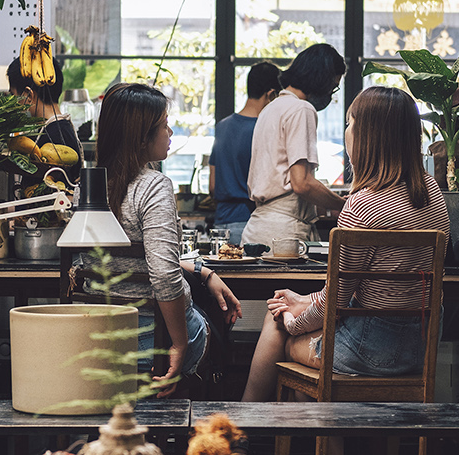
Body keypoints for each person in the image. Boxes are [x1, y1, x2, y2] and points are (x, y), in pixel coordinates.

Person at [241, 86, 450, 455]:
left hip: (370, 350)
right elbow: (350, 296)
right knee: (301, 366)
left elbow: (335, 305)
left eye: (350, 123)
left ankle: (241, 432)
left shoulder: (362, 206)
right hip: (418, 348)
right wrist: (303, 300)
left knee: (278, 327)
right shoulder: (432, 194)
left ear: (370, 136)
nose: (346, 131)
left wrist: (292, 319)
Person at [96, 83, 242, 392]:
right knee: (216, 326)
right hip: (151, 338)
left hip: (98, 334)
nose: (171, 131)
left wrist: (203, 271)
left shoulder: (88, 186)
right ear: (141, 136)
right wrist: (178, 344)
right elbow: (163, 275)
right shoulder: (153, 186)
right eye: (164, 124)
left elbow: (137, 262)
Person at [240, 43, 347, 248]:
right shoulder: (301, 109)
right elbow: (302, 183)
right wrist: (343, 204)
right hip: (285, 231)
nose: (331, 95)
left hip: (258, 227)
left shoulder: (270, 109)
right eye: (333, 87)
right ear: (322, 79)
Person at [208, 61, 281, 246]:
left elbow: (213, 186)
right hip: (251, 222)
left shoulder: (222, 126)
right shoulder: (263, 129)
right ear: (271, 94)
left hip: (222, 223)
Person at [7, 53, 83, 191]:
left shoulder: (54, 137)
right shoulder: (62, 128)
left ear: (28, 95)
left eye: (13, 96)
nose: (13, 103)